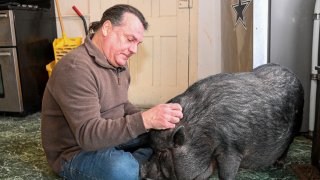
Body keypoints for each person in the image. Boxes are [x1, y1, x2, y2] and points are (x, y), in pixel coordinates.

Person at [41, 4, 183, 180]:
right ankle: (139, 162)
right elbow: (89, 136)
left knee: (161, 135)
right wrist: (145, 120)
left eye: (138, 43)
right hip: (75, 151)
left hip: (109, 136)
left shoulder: (118, 63)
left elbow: (122, 105)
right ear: (107, 28)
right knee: (121, 169)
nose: (134, 50)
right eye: (130, 39)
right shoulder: (76, 68)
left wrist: (150, 118)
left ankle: (139, 162)